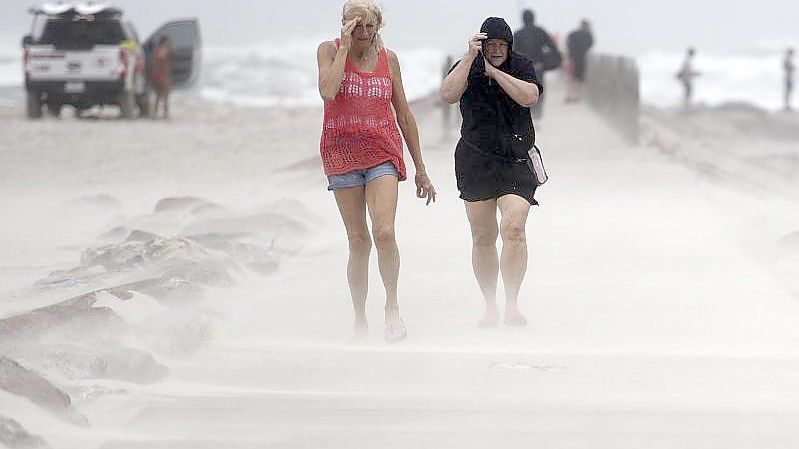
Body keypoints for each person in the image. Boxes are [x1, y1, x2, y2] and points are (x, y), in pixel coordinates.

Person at [317, 0, 436, 343]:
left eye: (370, 27)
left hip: (383, 152)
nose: (365, 34)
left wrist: (421, 169)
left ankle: (392, 309)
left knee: (384, 232)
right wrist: (342, 49)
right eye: (357, 28)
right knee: (358, 240)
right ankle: (358, 317)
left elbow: (404, 115)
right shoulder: (328, 50)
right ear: (345, 26)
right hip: (341, 155)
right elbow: (328, 91)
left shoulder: (390, 59)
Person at [441, 17, 542, 328]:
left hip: (516, 160)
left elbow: (529, 97)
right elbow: (448, 94)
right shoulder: (466, 65)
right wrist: (471, 58)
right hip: (476, 160)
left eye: (502, 45)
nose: (497, 50)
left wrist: (495, 73)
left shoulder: (521, 66)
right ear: (481, 44)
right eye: (491, 45)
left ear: (509, 47)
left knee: (514, 228)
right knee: (483, 236)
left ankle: (512, 304)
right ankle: (489, 305)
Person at [513, 9, 561, 119]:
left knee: (524, 89)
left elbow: (513, 51)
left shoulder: (518, 33)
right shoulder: (541, 32)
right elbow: (552, 47)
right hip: (539, 66)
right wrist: (554, 60)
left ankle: (527, 113)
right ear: (534, 18)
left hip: (524, 66)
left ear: (523, 19)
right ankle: (538, 114)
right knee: (539, 89)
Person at [564, 19, 594, 103]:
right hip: (582, 58)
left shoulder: (573, 34)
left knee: (571, 78)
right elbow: (590, 45)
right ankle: (577, 97)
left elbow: (568, 43)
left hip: (572, 58)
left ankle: (570, 96)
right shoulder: (588, 35)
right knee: (580, 79)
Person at [150, 36, 172, 119]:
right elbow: (160, 58)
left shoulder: (156, 50)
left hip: (158, 75)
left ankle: (156, 113)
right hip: (163, 75)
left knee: (158, 96)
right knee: (165, 96)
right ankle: (165, 113)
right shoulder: (162, 50)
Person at [784, 48, 794, 112]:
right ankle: (787, 105)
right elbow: (786, 66)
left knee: (788, 91)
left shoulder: (787, 59)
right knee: (788, 91)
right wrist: (791, 67)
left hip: (789, 77)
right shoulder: (788, 59)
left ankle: (787, 105)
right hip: (788, 77)